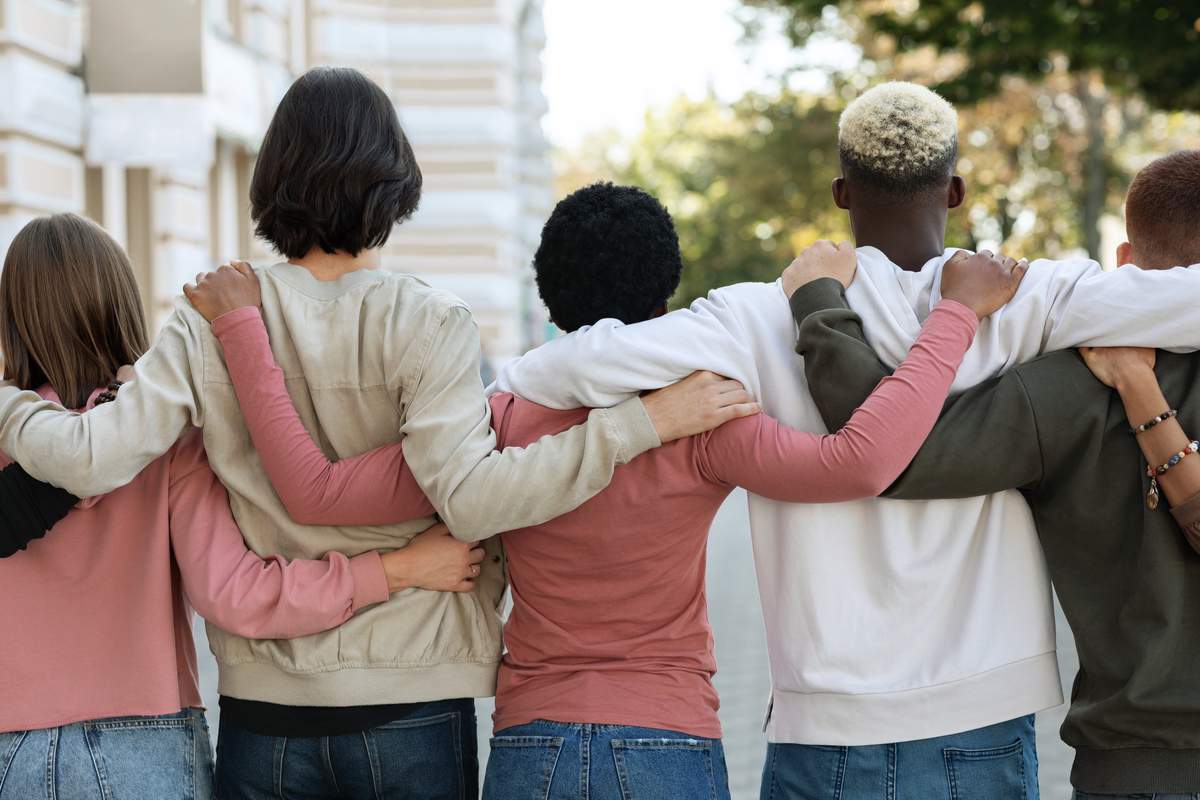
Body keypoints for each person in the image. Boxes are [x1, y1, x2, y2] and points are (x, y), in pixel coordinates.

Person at [0, 69, 731, 798]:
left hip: (267, 700)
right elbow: (476, 502)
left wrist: (8, 402)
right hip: (413, 692)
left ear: (271, 180)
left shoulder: (206, 318)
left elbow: (91, 461)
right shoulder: (430, 321)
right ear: (395, 183)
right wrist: (640, 424)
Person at [180, 182, 1026, 800]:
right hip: (670, 739)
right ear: (664, 299)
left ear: (550, 299)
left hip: (531, 745)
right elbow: (861, 462)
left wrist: (241, 331)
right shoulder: (703, 415)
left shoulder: (492, 423)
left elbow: (318, 491)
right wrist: (953, 316)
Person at [481, 83, 1200, 799]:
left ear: (840, 192)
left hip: (823, 722)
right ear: (954, 191)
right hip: (982, 708)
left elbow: (570, 363)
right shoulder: (1030, 298)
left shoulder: (757, 316)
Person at [0, 213, 484, 800]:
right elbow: (234, 594)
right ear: (121, 307)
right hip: (142, 743)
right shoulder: (169, 447)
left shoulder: (16, 428)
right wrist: (392, 570)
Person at [790, 149, 1200, 800]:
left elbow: (891, 453)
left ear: (1125, 264)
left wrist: (820, 306)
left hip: (1140, 766)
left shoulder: (1070, 385)